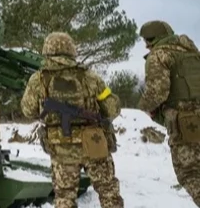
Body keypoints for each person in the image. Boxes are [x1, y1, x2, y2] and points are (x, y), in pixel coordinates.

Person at [20, 32, 124, 208]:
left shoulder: (38, 79)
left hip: (61, 147)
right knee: (108, 192)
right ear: (71, 50)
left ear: (47, 51)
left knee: (64, 196)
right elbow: (113, 108)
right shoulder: (90, 77)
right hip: (94, 143)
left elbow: (28, 110)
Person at [137, 20, 200, 206]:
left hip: (186, 125)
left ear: (150, 39)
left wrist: (145, 107)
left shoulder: (159, 55)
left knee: (190, 174)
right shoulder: (192, 53)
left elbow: (157, 93)